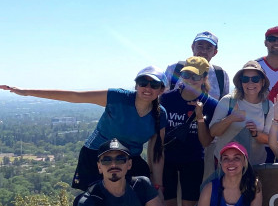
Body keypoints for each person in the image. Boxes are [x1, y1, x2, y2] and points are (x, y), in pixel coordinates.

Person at [2, 67, 167, 192]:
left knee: (138, 197)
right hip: (95, 155)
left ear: (161, 89)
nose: (147, 88)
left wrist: (157, 184)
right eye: (143, 83)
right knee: (95, 202)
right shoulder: (118, 97)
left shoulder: (160, 115)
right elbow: (76, 96)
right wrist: (26, 92)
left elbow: (156, 152)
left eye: (154, 84)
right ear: (136, 85)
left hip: (128, 160)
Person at [159, 56, 218, 206]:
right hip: (167, 159)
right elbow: (157, 135)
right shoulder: (167, 99)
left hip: (193, 161)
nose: (190, 80)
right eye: (186, 75)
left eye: (195, 77)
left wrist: (200, 118)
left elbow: (207, 141)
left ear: (204, 78)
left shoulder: (210, 104)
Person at [209, 61, 274, 165]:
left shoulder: (268, 106)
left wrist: (255, 133)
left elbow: (269, 140)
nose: (250, 83)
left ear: (262, 82)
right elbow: (213, 132)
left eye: (255, 79)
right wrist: (230, 119)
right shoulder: (228, 101)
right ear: (241, 82)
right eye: (245, 79)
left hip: (255, 164)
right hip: (226, 165)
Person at [164, 31, 231, 101]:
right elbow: (160, 98)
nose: (204, 51)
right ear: (192, 47)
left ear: (215, 52)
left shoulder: (221, 75)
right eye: (200, 46)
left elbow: (224, 105)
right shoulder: (174, 69)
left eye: (208, 48)